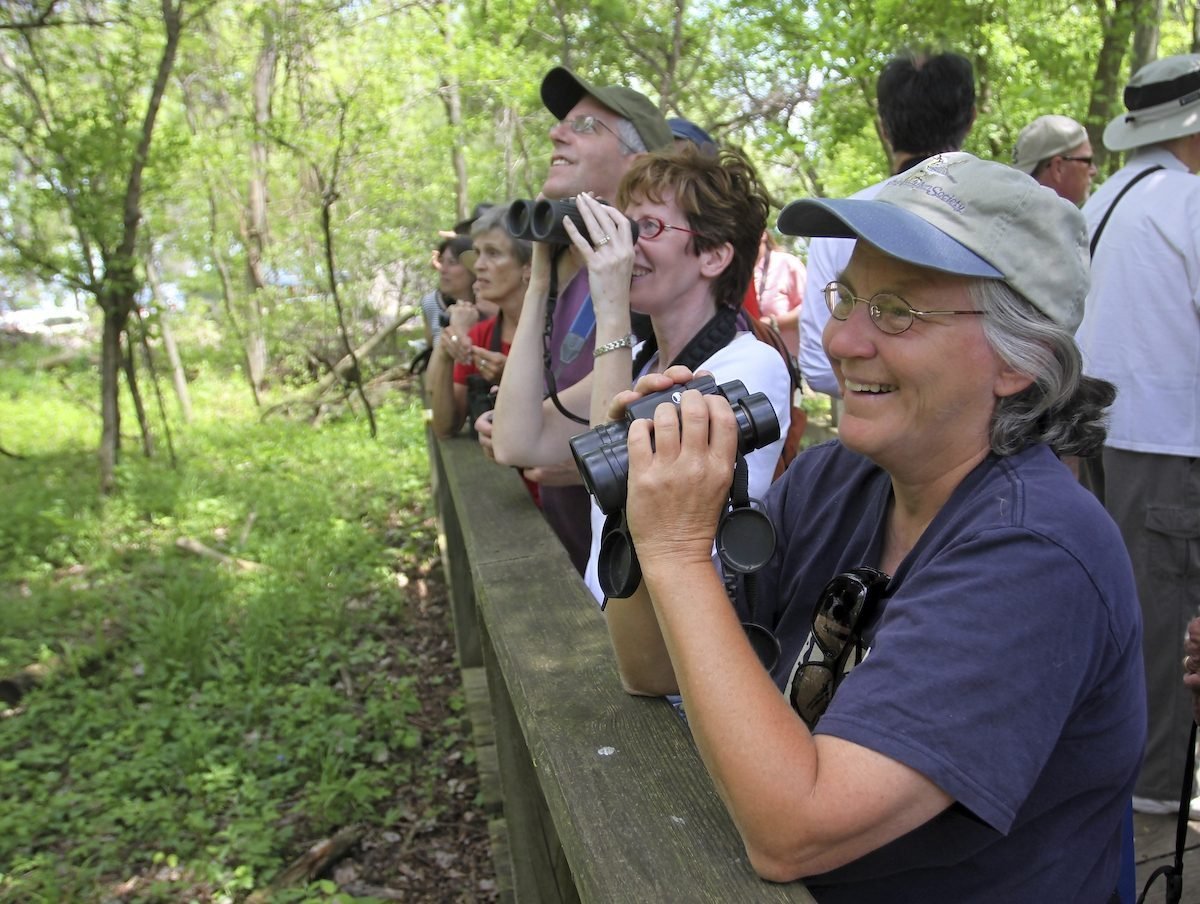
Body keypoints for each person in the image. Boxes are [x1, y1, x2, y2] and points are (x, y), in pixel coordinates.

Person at [604, 152, 1144, 901]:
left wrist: (678, 552)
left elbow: (794, 833)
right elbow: (650, 669)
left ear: (1023, 358)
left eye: (898, 311)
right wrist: (642, 505)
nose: (845, 341)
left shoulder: (1034, 552)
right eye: (847, 298)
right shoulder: (838, 479)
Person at [491, 144, 791, 604]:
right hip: (613, 632)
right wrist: (539, 282)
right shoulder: (638, 362)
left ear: (713, 256)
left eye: (646, 226)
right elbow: (517, 440)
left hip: (672, 651)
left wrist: (610, 307)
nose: (626, 244)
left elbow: (614, 483)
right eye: (624, 222)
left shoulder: (747, 367)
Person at [477, 67, 673, 575]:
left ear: (639, 159)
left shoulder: (661, 278)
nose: (555, 132)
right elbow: (529, 432)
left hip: (634, 579)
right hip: (571, 556)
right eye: (563, 123)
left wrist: (589, 460)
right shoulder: (569, 260)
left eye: (585, 126)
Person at [1076, 53, 1200, 819]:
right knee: (1168, 626)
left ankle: (1120, 778)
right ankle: (1155, 801)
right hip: (1168, 449)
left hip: (1094, 436)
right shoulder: (1186, 202)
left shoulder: (1101, 203)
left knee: (1118, 612)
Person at [799, 51, 975, 400]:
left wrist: (878, 393)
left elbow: (818, 368)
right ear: (971, 119)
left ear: (884, 126)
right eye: (847, 301)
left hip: (863, 430)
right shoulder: (1002, 217)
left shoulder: (840, 221)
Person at [428, 204, 531, 442]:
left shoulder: (560, 332)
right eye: (477, 253)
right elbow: (445, 426)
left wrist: (514, 380)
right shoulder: (480, 336)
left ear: (527, 266)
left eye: (493, 253)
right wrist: (445, 353)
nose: (478, 265)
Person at [1011, 114, 1096, 205]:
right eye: (1087, 161)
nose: (1094, 171)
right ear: (1058, 168)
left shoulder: (1005, 210)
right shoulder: (1049, 218)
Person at [419, 234, 478, 351]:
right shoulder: (431, 303)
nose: (443, 269)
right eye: (442, 261)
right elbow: (430, 348)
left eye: (452, 262)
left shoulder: (492, 308)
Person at [753, 231, 806, 358]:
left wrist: (771, 322)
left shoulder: (787, 263)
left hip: (789, 360)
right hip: (756, 358)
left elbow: (808, 310)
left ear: (763, 234)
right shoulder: (739, 271)